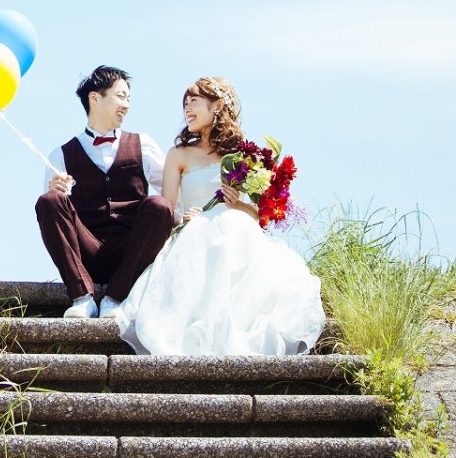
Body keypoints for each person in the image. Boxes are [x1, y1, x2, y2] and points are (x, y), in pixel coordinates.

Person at [114, 77, 326, 355]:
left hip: (239, 234)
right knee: (207, 234)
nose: (187, 109)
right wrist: (186, 219)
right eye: (185, 104)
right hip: (194, 236)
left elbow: (259, 218)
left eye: (194, 102)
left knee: (232, 226)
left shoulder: (244, 157)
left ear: (217, 106)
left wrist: (237, 203)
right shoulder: (178, 155)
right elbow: (165, 212)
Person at [36, 66, 174, 319]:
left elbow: (172, 191)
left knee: (161, 206)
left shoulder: (143, 144)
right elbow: (56, 221)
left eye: (129, 99)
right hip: (86, 250)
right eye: (121, 96)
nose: (127, 105)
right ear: (95, 98)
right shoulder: (61, 154)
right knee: (49, 200)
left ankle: (117, 298)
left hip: (132, 251)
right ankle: (82, 296)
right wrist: (57, 192)